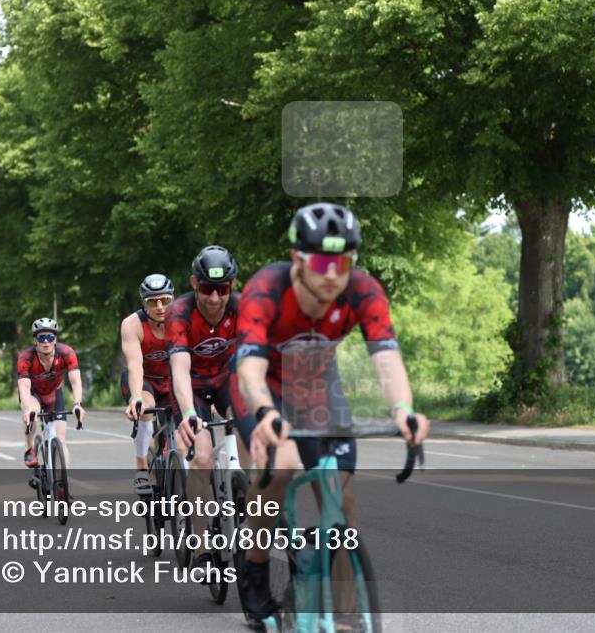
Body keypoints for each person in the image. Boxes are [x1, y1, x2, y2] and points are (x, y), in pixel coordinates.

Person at [232, 202, 430, 620]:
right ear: (297, 259)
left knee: (342, 497)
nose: (332, 273)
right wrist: (266, 414)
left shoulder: (363, 290)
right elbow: (249, 370)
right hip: (262, 385)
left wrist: (403, 410)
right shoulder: (266, 287)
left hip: (317, 386)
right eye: (321, 261)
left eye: (343, 262)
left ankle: (344, 617)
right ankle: (254, 566)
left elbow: (386, 357)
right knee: (281, 467)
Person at [165, 245, 240, 573]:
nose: (213, 298)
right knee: (204, 457)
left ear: (232, 286)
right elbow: (179, 368)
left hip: (226, 380)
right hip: (190, 389)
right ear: (194, 282)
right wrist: (191, 416)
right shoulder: (178, 312)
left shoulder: (243, 308)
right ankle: (201, 547)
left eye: (221, 289)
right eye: (207, 288)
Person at [120, 273, 175, 496]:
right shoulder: (132, 324)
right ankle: (141, 466)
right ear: (145, 303)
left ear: (173, 299)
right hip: (145, 381)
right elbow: (135, 364)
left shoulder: (183, 320)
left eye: (165, 300)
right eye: (153, 301)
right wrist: (136, 397)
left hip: (172, 380)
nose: (160, 306)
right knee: (145, 410)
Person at [18, 317, 86, 469]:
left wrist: (77, 404)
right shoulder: (26, 357)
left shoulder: (66, 353)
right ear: (35, 340)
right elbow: (23, 385)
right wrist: (28, 409)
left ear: (55, 339)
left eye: (50, 337)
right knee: (32, 415)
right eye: (41, 337)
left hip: (54, 394)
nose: (46, 342)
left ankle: (62, 486)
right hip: (33, 394)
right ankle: (29, 449)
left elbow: (76, 381)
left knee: (60, 438)